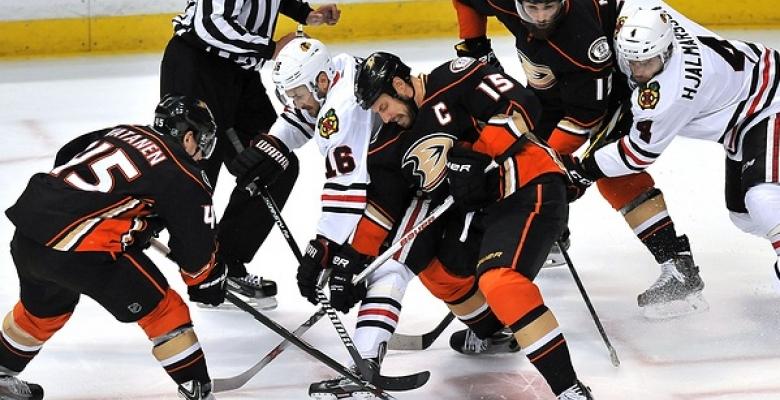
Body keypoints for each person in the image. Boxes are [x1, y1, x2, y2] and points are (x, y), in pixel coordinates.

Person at [351, 52, 593, 399]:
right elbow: (383, 207)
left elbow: (522, 104)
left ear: (401, 86)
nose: (384, 116)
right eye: (377, 112)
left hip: (525, 186)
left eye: (383, 105)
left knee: (500, 281)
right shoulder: (389, 142)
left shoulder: (454, 77)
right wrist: (353, 259)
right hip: (479, 209)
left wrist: (482, 154)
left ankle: (569, 390)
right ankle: (493, 331)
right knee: (435, 268)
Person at [449, 0, 706, 322]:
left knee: (611, 171)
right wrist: (474, 48)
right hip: (553, 88)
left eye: (549, 8)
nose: (541, 18)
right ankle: (552, 231)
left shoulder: (582, 42)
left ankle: (677, 264)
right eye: (532, 8)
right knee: (524, 147)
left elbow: (584, 117)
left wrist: (547, 168)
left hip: (614, 85)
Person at [0, 95, 226, 400]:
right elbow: (197, 260)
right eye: (203, 142)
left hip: (29, 231)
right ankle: (197, 390)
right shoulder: (186, 174)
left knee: (42, 312)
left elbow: (69, 153)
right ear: (188, 137)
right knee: (164, 311)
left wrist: (125, 220)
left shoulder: (124, 130)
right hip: (80, 249)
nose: (202, 153)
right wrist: (209, 281)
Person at [227, 38, 417, 399]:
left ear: (322, 82)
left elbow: (348, 187)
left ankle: (365, 362)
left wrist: (324, 247)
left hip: (404, 180)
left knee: (383, 264)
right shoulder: (339, 66)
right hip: (386, 172)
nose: (296, 102)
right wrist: (273, 144)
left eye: (299, 93)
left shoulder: (341, 110)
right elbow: (302, 118)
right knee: (365, 265)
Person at [567, 5, 780, 295]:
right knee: (744, 216)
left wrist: (582, 171)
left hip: (770, 101)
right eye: (633, 62)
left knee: (763, 198)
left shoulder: (670, 93)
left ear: (667, 52)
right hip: (741, 116)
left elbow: (636, 154)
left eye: (648, 62)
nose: (639, 71)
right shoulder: (645, 16)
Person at [159, 0, 341, 308]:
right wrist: (271, 49)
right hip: (197, 70)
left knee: (274, 161)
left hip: (239, 75)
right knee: (192, 174)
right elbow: (209, 24)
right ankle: (141, 248)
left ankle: (225, 265)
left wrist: (304, 13)